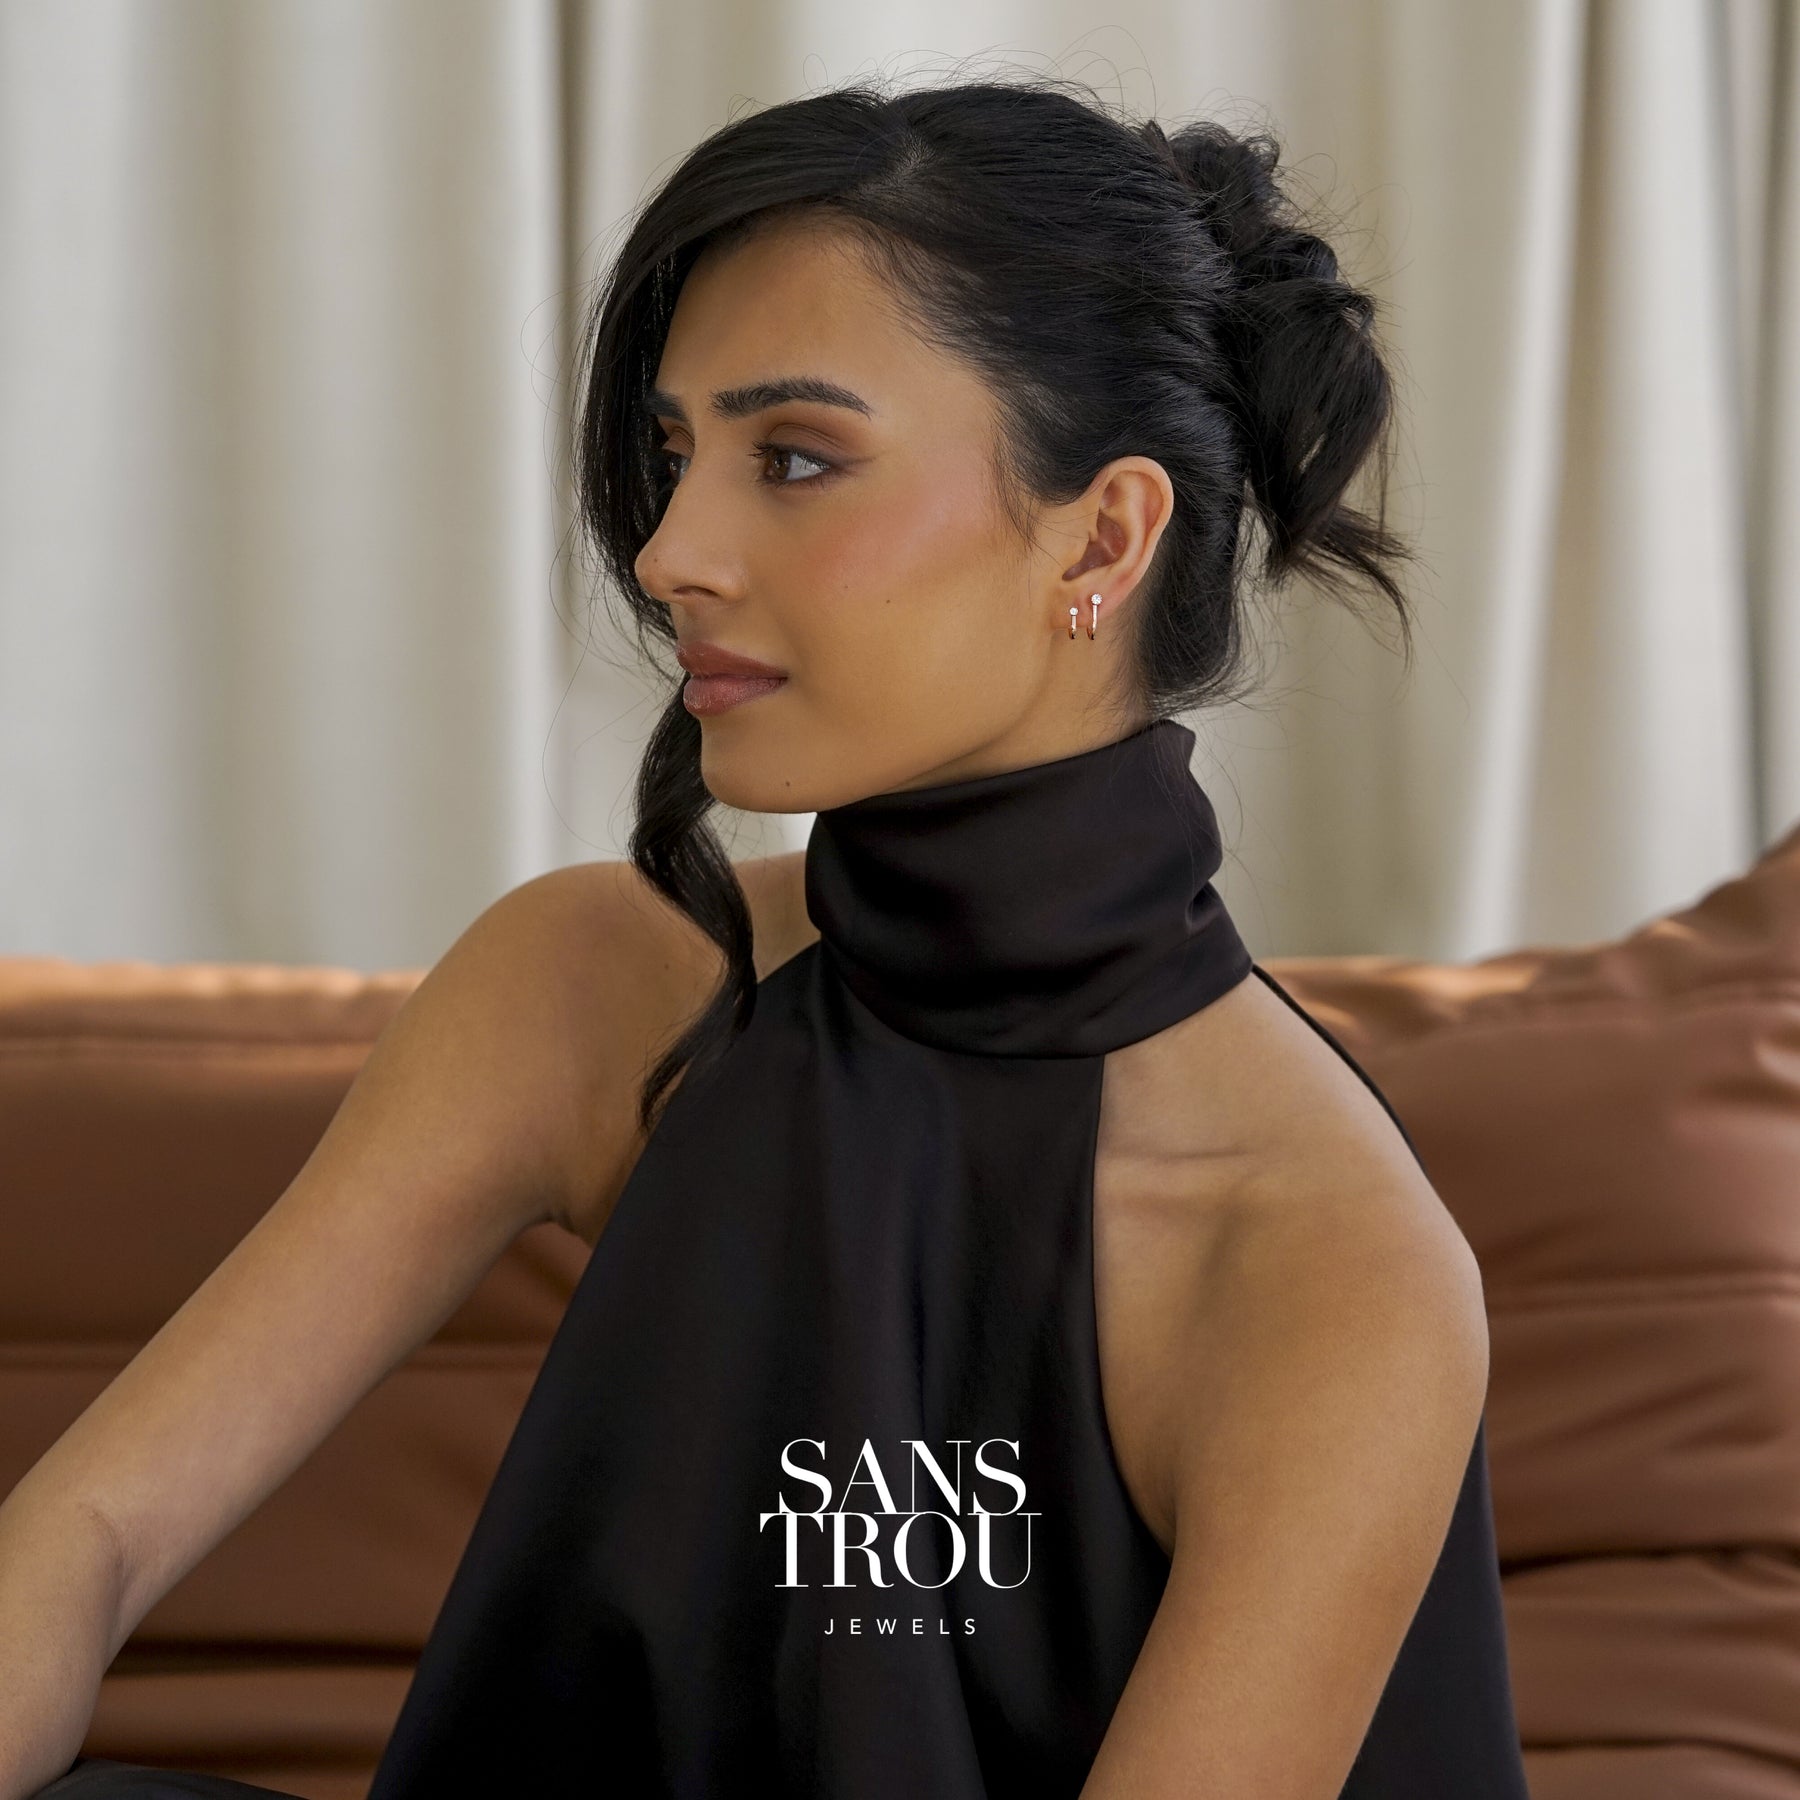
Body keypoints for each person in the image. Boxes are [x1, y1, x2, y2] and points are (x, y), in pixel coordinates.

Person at [2, 75, 1530, 1800]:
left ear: (1100, 536)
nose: (669, 553)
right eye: (674, 458)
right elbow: (88, 1537)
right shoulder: (588, 987)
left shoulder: (1328, 1267)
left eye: (794, 459)